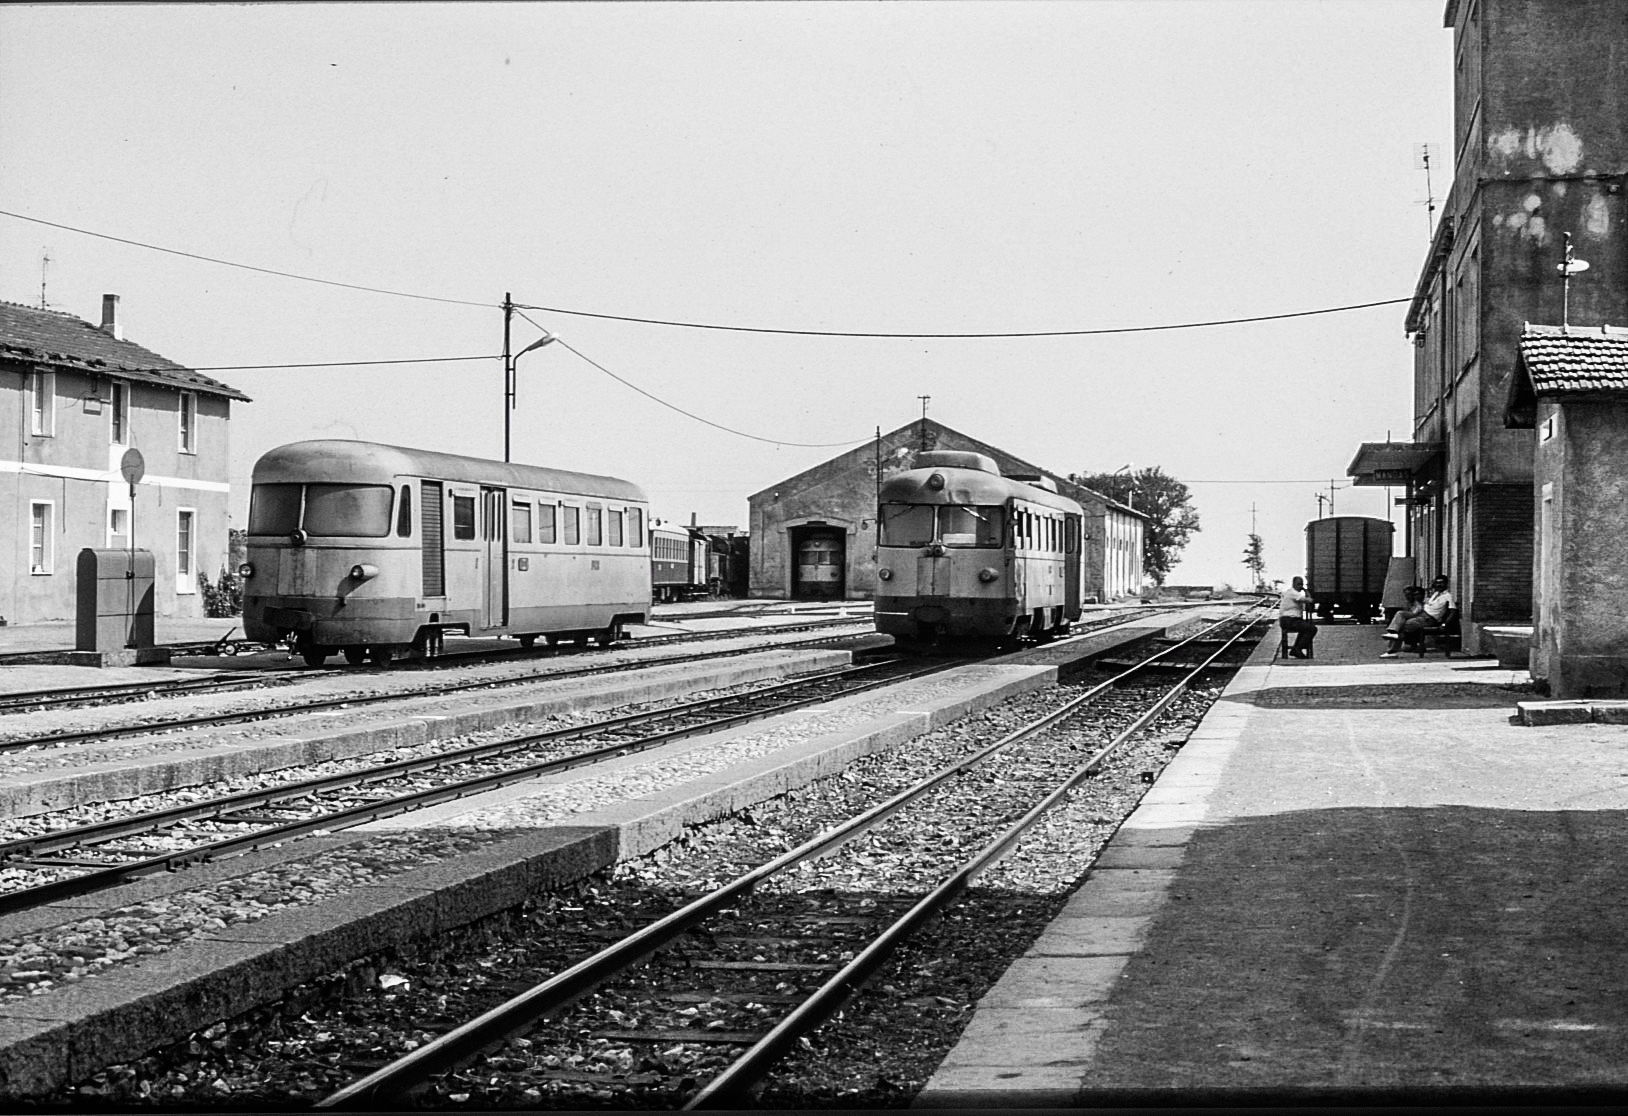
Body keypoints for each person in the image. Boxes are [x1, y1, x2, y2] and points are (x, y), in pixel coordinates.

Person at [1382, 574, 1455, 657]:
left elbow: (1453, 611)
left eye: (1441, 583)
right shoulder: (1435, 594)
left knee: (1404, 625)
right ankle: (1393, 633)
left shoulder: (1448, 596)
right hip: (1421, 614)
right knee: (1400, 614)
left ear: (1446, 584)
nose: (1438, 585)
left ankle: (1391, 651)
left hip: (1429, 619)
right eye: (1437, 583)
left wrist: (1444, 624)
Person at [1277, 575, 1316, 659]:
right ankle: (1297, 649)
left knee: (1306, 628)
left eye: (1302, 584)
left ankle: (1296, 649)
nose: (1300, 586)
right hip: (1288, 620)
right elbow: (1309, 600)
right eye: (1298, 584)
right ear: (1293, 584)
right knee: (1312, 629)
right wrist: (1306, 591)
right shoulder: (1292, 593)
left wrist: (1305, 591)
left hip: (1292, 620)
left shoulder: (1295, 593)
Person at [1379, 585, 1425, 655]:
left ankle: (1393, 642)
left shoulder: (1419, 603)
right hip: (1412, 622)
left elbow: (1417, 612)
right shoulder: (1409, 603)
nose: (1407, 597)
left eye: (1409, 594)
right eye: (1406, 595)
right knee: (1399, 627)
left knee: (1400, 615)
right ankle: (1392, 646)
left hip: (1418, 621)